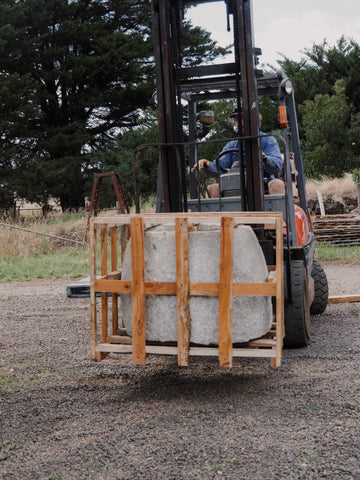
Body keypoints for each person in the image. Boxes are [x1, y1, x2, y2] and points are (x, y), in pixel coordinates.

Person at [194, 106, 283, 197]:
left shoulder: (267, 140)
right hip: (235, 186)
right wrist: (206, 164)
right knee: (212, 188)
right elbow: (218, 168)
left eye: (244, 118)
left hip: (263, 186)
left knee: (277, 184)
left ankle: (275, 211)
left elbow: (277, 166)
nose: (241, 122)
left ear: (254, 119)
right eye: (237, 119)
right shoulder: (232, 145)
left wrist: (264, 158)